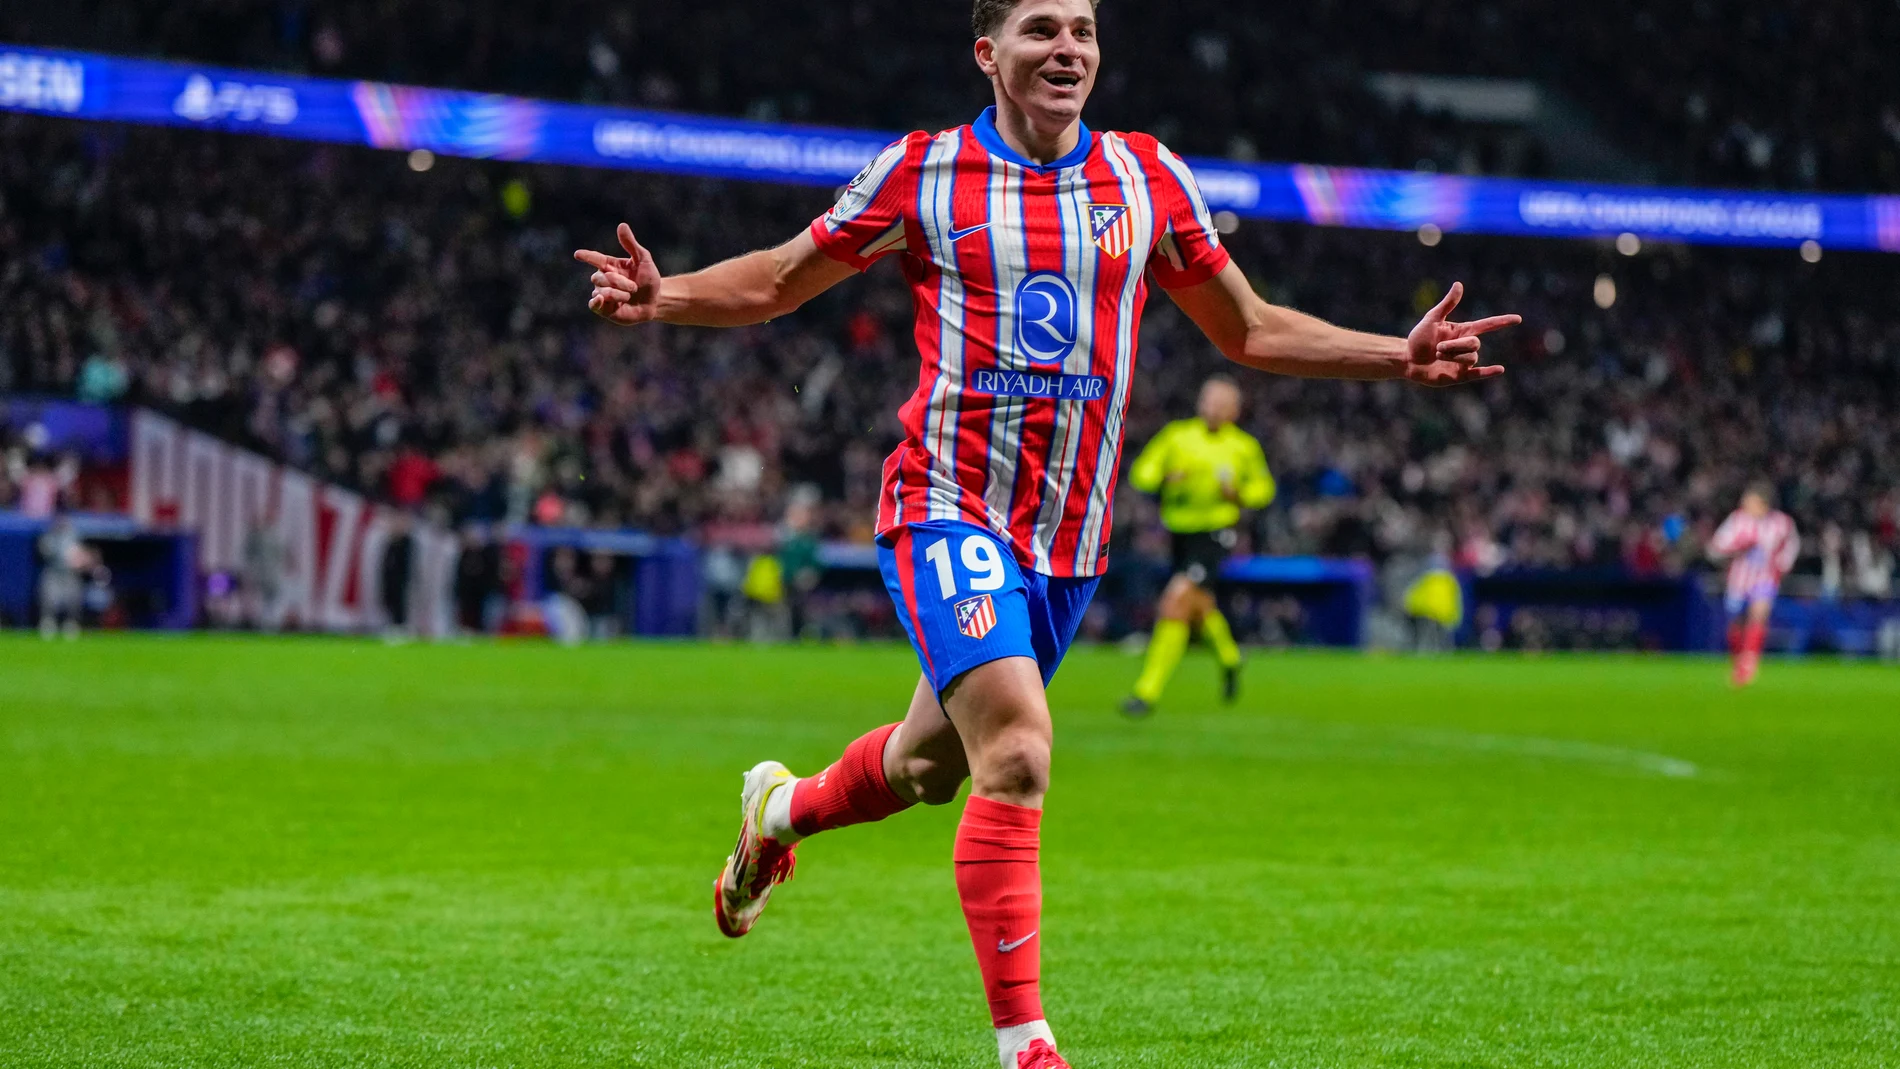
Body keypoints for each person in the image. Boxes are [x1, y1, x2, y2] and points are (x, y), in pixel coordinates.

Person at [575, 2, 1518, 1064]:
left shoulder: (1147, 178)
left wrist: (1398, 354)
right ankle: (1026, 1044)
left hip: (1066, 542)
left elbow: (1246, 327)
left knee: (933, 769)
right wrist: (670, 298)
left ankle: (779, 813)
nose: (1066, 47)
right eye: (1038, 29)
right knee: (1018, 751)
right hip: (946, 502)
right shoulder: (922, 172)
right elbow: (784, 276)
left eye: (1082, 28)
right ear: (989, 54)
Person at [1121, 376, 1273, 716]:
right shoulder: (1178, 437)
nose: (1215, 409)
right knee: (1199, 606)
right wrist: (1162, 479)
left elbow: (1264, 488)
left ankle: (1146, 692)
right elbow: (1142, 472)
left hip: (1217, 532)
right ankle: (1231, 658)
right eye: (1210, 401)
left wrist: (1242, 495)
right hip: (1180, 533)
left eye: (1223, 404)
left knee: (1175, 602)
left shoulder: (1243, 447)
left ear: (1235, 411)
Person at [1707, 483, 1800, 686]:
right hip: (1738, 581)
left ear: (1763, 504)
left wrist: (1782, 566)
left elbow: (1791, 546)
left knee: (1759, 615)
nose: (1744, 504)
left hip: (1765, 579)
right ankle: (1738, 660)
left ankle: (1749, 661)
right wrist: (1736, 548)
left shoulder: (1782, 523)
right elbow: (1715, 549)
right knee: (1735, 622)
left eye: (1749, 500)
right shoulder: (1736, 520)